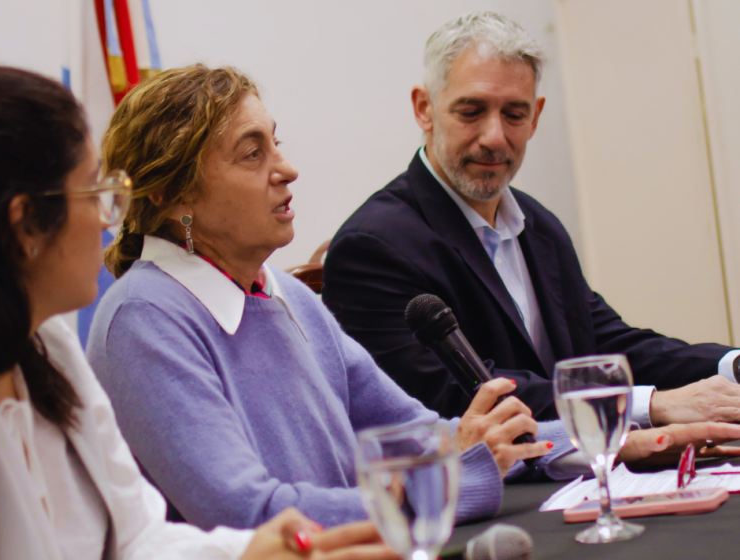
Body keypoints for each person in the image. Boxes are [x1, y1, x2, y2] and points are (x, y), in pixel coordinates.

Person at [85, 63, 740, 533]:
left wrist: (608, 441)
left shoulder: (285, 296)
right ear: (172, 194)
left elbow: (430, 434)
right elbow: (249, 513)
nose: (286, 168)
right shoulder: (146, 318)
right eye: (251, 154)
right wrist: (456, 477)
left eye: (274, 142)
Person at [0, 64, 399, 560]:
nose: (107, 220)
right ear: (25, 226)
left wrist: (247, 552)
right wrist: (410, 501)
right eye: (94, 192)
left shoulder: (49, 344)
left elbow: (137, 539)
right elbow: (239, 506)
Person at [322, 12, 740, 425]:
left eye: (514, 114)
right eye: (471, 111)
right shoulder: (371, 247)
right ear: (424, 108)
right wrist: (651, 405)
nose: (494, 137)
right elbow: (454, 395)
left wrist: (731, 366)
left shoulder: (538, 224)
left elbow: (604, 345)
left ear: (535, 116)